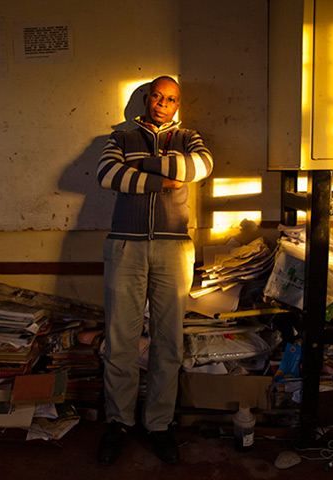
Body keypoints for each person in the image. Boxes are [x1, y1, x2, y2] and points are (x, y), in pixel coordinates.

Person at [95, 76, 213, 465]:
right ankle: (118, 423)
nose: (163, 103)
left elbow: (201, 166)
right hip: (124, 244)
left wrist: (139, 171)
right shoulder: (120, 138)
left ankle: (159, 425)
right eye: (158, 97)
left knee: (168, 343)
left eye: (171, 99)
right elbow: (107, 175)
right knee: (120, 342)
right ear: (147, 100)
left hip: (174, 246)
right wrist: (164, 179)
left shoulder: (189, 138)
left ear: (178, 104)